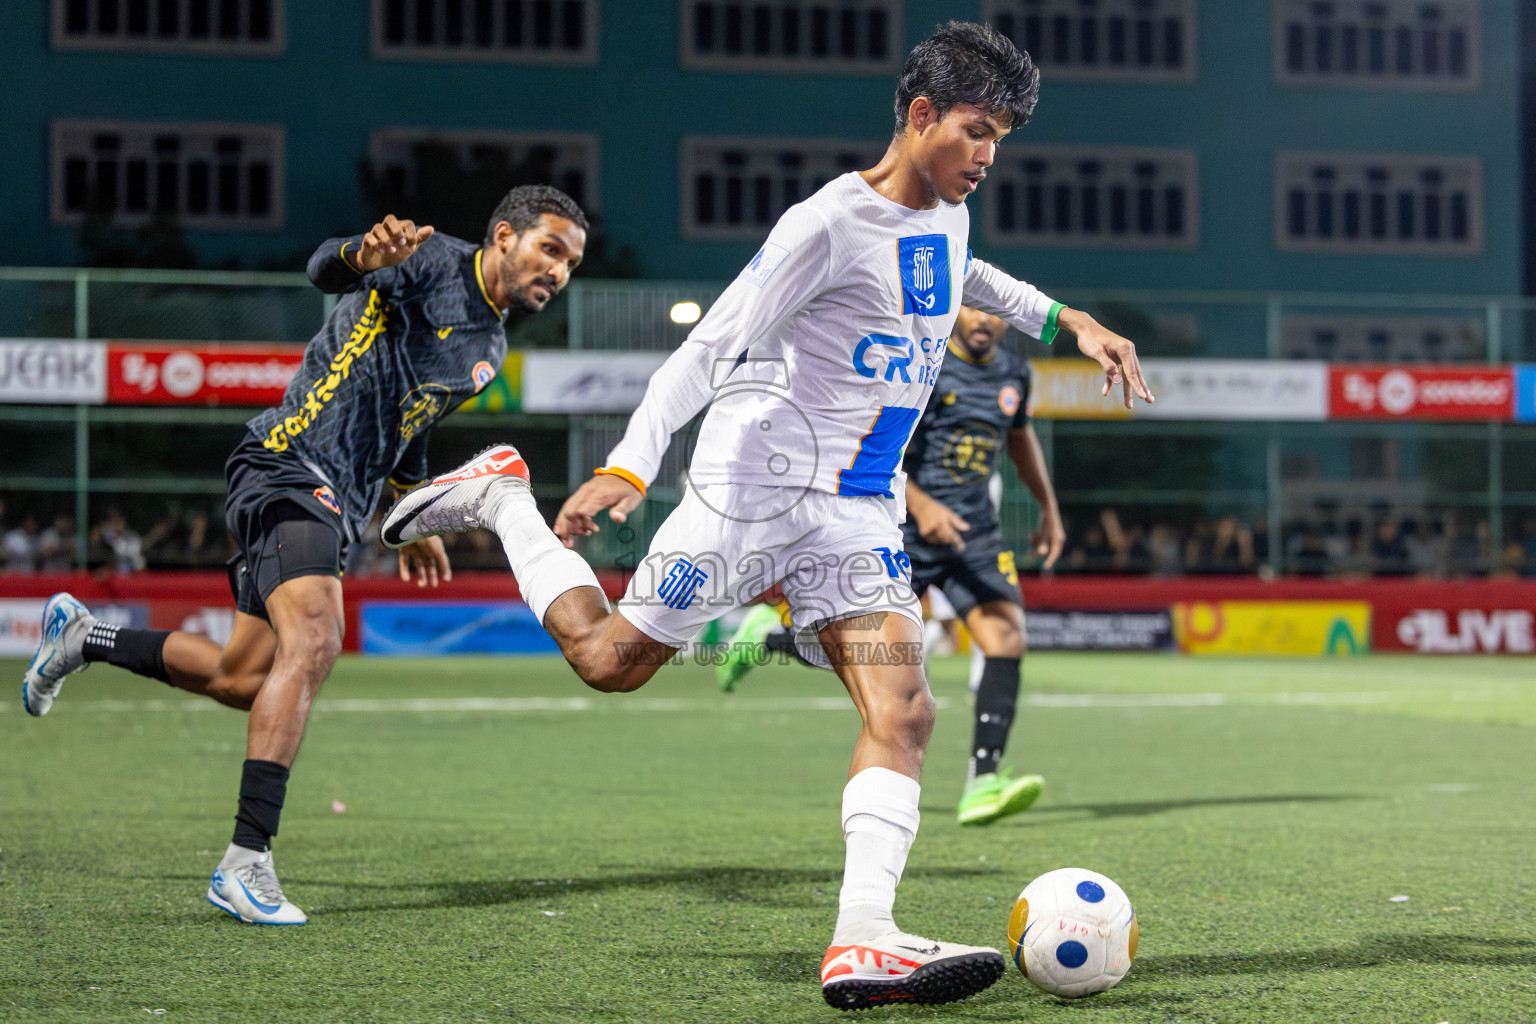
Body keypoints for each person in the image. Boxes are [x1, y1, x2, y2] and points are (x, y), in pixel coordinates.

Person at [383, 23, 1150, 1009]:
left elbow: (964, 272)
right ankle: (503, 498)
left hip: (858, 508)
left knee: (905, 706)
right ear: (919, 116)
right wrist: (628, 462)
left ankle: (863, 939)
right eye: (974, 130)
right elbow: (706, 352)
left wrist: (1069, 322)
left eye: (1001, 135)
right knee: (611, 662)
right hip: (751, 491)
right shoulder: (823, 225)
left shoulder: (948, 212)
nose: (988, 154)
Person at [21, 185, 588, 926]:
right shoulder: (428, 260)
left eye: (573, 262)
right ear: (505, 235)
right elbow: (324, 268)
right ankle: (245, 860)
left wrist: (411, 511)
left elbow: (410, 423)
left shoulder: (490, 348)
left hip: (342, 504)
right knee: (317, 637)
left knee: (240, 676)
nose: (561, 271)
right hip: (287, 462)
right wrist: (361, 252)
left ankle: (80, 637)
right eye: (551, 249)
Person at [720, 306, 1066, 828]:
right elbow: (885, 445)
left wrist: (1049, 508)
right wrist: (924, 508)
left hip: (975, 532)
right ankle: (770, 635)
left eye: (994, 315)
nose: (982, 321)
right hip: (906, 526)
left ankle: (982, 782)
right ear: (956, 311)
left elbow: (1019, 440)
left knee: (1006, 636)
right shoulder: (924, 367)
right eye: (972, 308)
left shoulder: (1014, 373)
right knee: (869, 649)